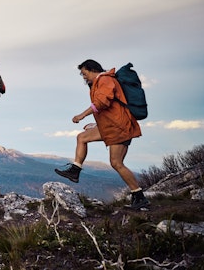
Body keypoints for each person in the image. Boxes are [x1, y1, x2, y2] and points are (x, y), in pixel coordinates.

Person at [55, 59, 150, 210]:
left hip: (120, 128)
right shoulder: (99, 83)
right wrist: (96, 125)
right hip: (110, 126)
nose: (83, 77)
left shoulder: (105, 80)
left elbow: (101, 103)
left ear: (92, 69)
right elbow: (110, 111)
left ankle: (139, 197)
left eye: (84, 73)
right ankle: (75, 170)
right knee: (82, 138)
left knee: (116, 163)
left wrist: (82, 115)